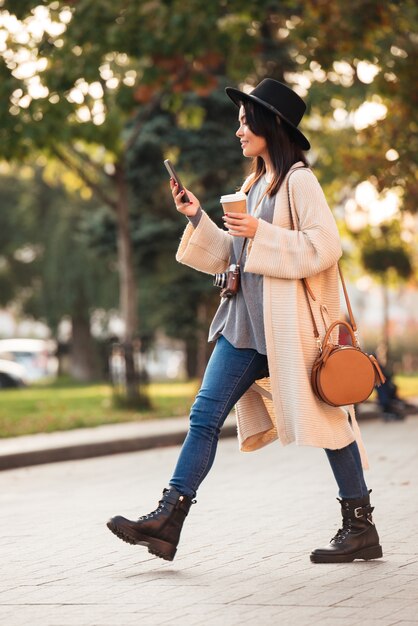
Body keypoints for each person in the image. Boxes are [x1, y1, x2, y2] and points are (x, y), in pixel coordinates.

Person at [107, 78, 382, 565]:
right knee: (204, 416)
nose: (237, 131)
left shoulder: (299, 181)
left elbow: (324, 247)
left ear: (270, 125)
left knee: (330, 420)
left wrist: (263, 232)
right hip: (243, 328)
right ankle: (168, 521)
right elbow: (234, 258)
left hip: (288, 331)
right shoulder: (253, 186)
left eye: (244, 122)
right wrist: (197, 219)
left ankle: (360, 528)